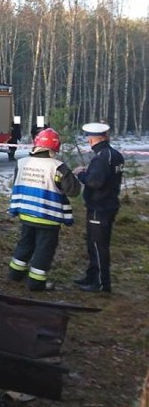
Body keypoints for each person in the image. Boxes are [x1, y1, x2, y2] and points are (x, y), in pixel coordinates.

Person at [6, 128, 82, 291]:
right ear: (56, 147)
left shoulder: (22, 162)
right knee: (44, 249)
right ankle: (36, 282)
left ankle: (15, 274)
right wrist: (72, 176)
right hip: (48, 216)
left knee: (25, 243)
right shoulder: (58, 167)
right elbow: (73, 191)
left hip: (26, 212)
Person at [72, 122, 124, 293]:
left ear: (92, 139)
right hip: (107, 204)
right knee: (94, 243)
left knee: (98, 246)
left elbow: (95, 182)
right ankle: (92, 275)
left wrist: (81, 174)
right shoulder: (113, 154)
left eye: (88, 137)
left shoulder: (101, 157)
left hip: (99, 207)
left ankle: (101, 283)